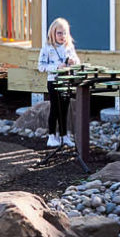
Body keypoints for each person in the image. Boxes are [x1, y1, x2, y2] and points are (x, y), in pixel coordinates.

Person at [37, 17, 77, 148]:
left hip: (66, 81)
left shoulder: (69, 47)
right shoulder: (47, 48)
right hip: (54, 82)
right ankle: (51, 135)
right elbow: (41, 66)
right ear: (53, 33)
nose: (62, 36)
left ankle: (64, 135)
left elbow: (77, 61)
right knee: (55, 108)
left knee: (64, 109)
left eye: (65, 33)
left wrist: (73, 62)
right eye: (59, 33)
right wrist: (56, 67)